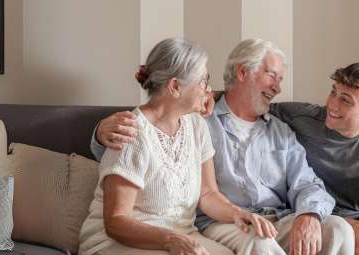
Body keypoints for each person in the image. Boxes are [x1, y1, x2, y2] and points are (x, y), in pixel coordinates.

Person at [96, 63, 359, 255]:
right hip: (328, 216)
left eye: (346, 101)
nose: (332, 105)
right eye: (334, 93)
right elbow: (243, 101)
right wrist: (205, 96)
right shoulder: (301, 115)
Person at [92, 38, 355, 255]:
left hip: (267, 217)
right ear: (243, 73)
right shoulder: (197, 120)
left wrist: (307, 213)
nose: (278, 87)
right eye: (272, 76)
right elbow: (121, 188)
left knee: (339, 229)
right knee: (259, 243)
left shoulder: (271, 128)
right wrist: (99, 134)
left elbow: (208, 193)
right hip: (202, 227)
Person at [78, 38, 276, 255]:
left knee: (254, 245)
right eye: (203, 80)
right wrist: (170, 240)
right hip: (123, 242)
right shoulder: (131, 132)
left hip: (182, 234)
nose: (208, 89)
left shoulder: (196, 125)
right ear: (175, 87)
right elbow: (117, 221)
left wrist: (237, 213)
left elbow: (207, 193)